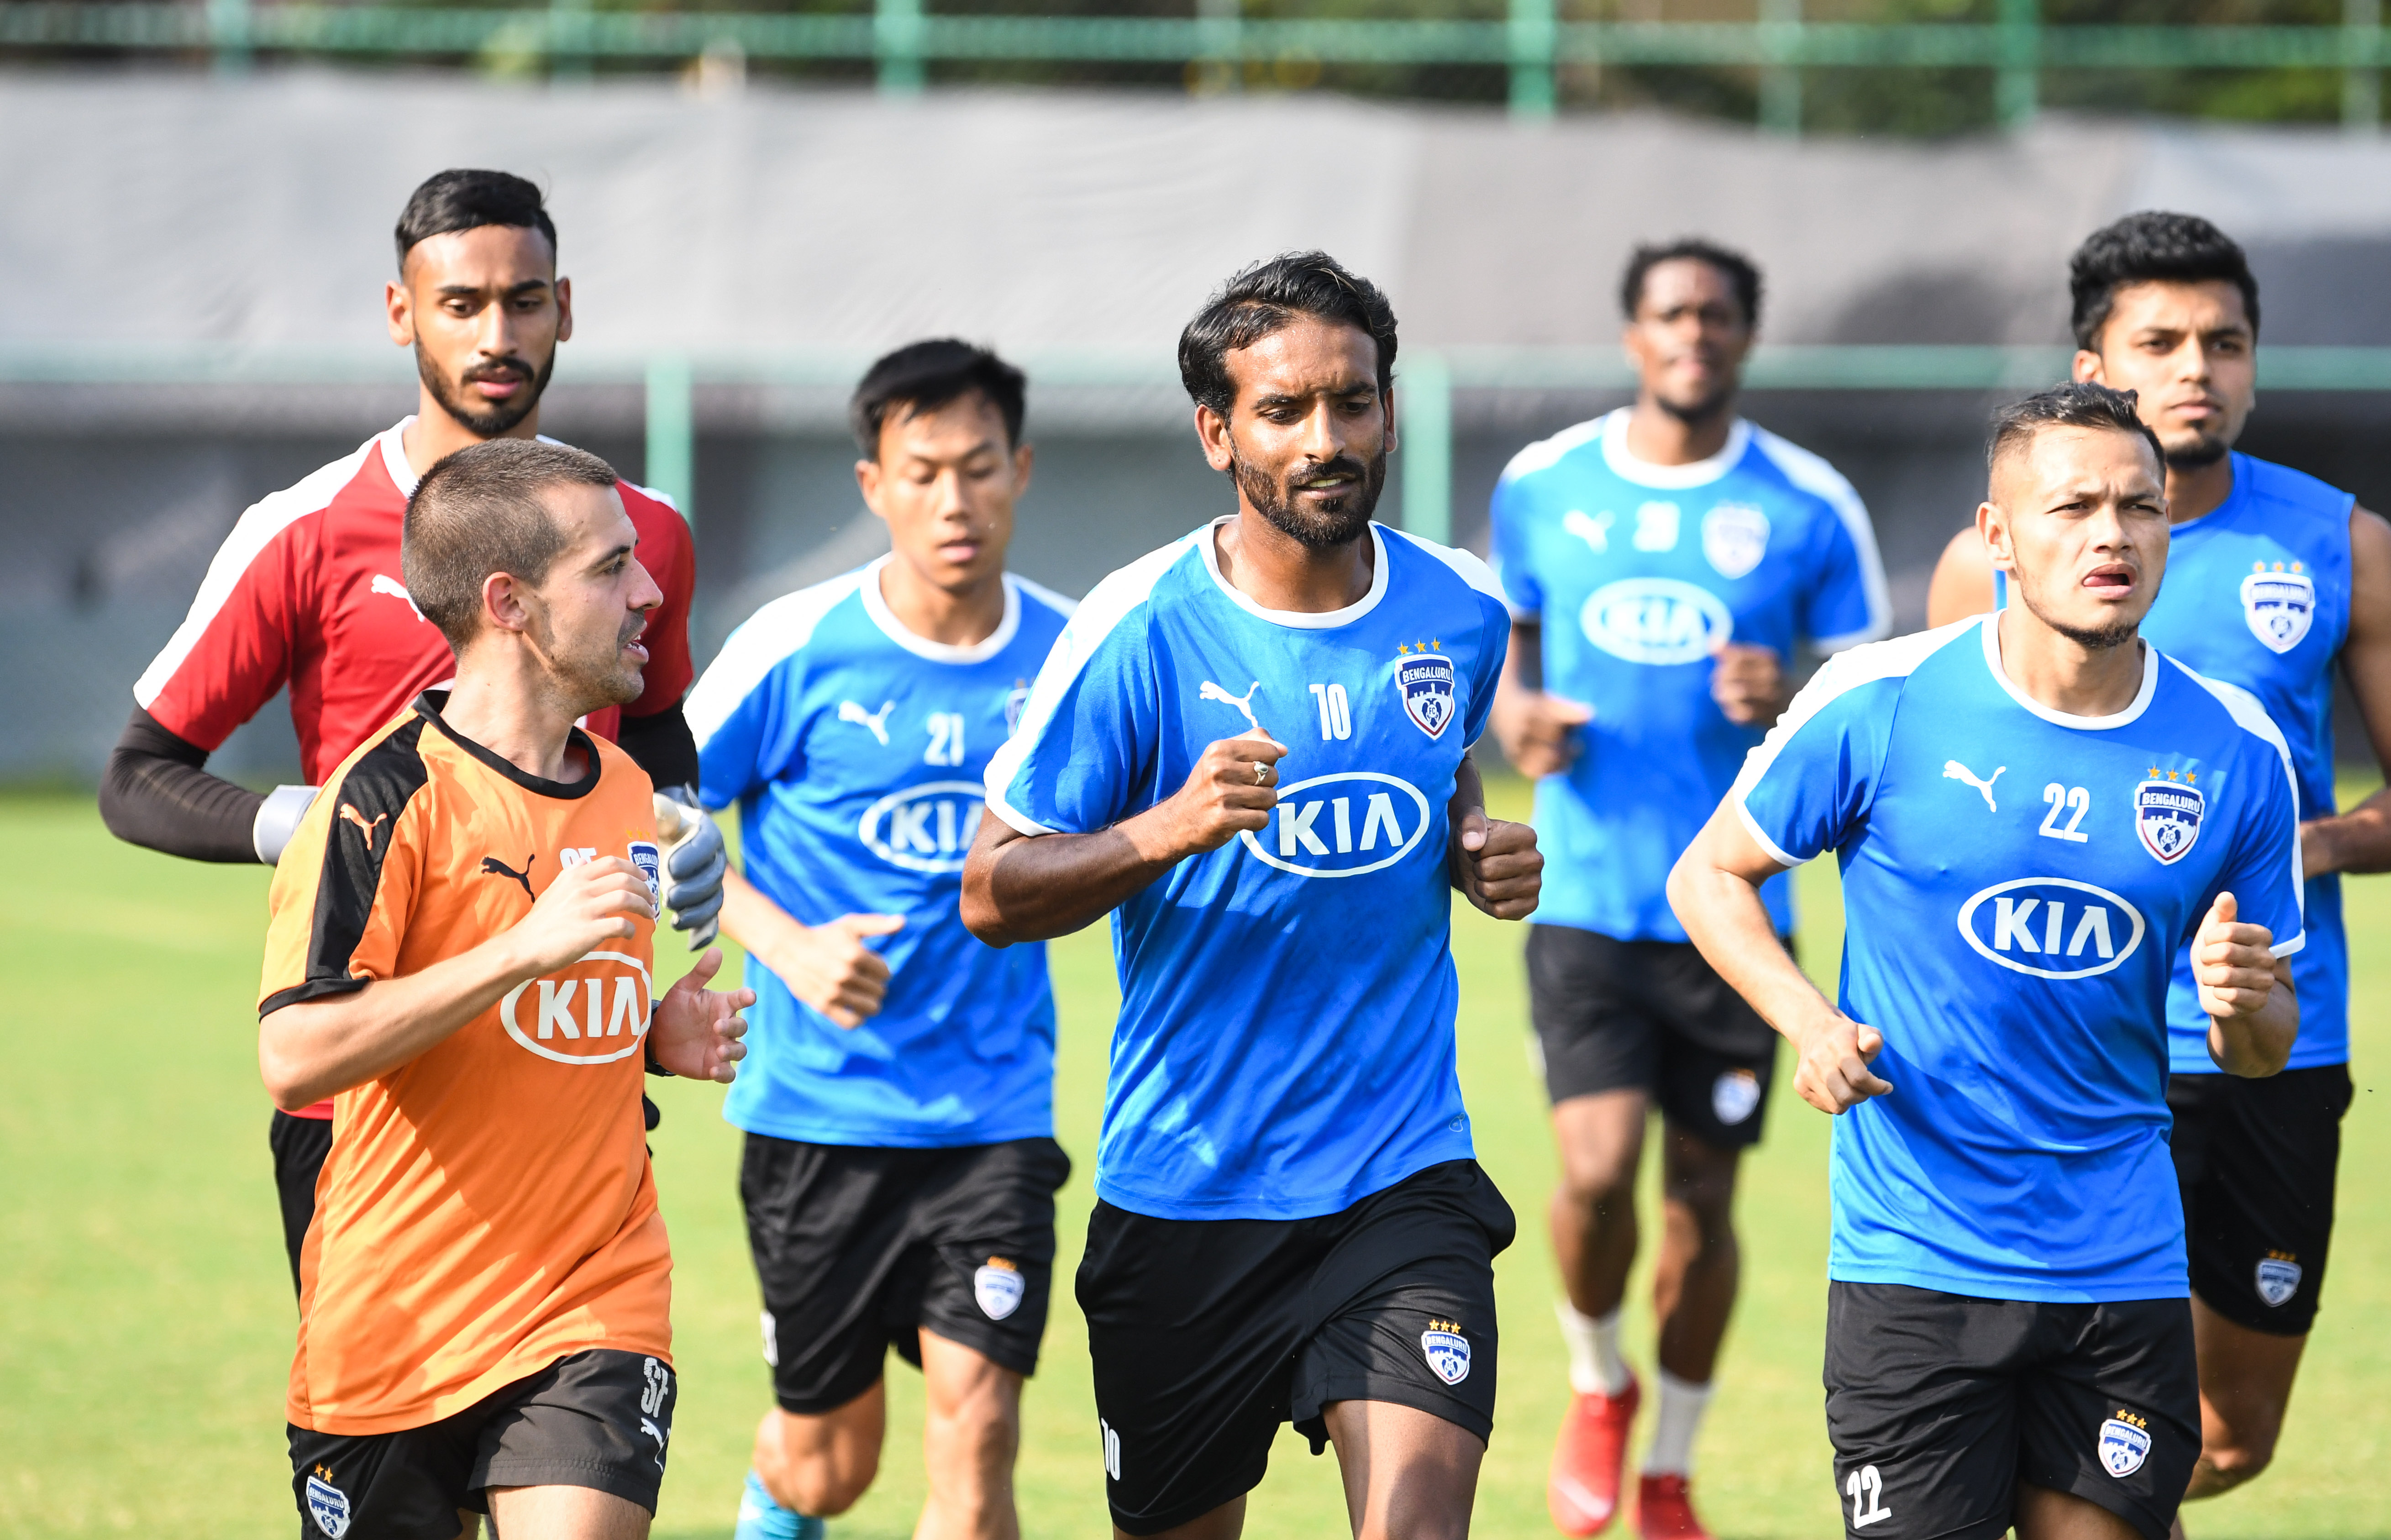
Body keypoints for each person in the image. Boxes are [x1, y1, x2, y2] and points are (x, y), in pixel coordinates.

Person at [961, 252, 1542, 1540]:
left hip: (1401, 1179)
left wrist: (1478, 850)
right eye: (1285, 411)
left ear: (1392, 408)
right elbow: (991, 891)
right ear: (1219, 432)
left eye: (1354, 401)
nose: (1327, 439)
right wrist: (1165, 829)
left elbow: (1436, 792)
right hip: (1190, 1192)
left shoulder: (1460, 609)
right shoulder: (1140, 627)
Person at [1669, 381, 2305, 1540]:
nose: (2111, 535)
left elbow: (2261, 1051)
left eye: (2139, 507)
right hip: (1913, 1261)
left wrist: (2243, 1004)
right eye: (2072, 508)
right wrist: (1811, 1023)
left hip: (2119, 1263)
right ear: (1997, 536)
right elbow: (1708, 877)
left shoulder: (2238, 751)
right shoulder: (1882, 698)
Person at [1923, 213, 2391, 1529]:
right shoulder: (1989, 561)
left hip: (2278, 1037)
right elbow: (1931, 802)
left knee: (2228, 1432)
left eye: (2225, 341)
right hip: (2075, 1048)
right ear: (2094, 362)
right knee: (2096, 1409)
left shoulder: (2343, 543)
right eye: (2158, 341)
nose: (2195, 369)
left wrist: (2293, 844)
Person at [100, 168, 724, 1295]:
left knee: (564, 1433)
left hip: (571, 1062)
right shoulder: (304, 530)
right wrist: (307, 822)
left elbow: (657, 725)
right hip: (367, 1087)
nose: (498, 333)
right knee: (401, 1458)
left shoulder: (644, 539)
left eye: (525, 301)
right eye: (461, 303)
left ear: (566, 307)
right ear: (402, 314)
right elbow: (139, 778)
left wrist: (682, 812)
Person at [257, 438, 751, 1540]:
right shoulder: (381, 801)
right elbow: (296, 1054)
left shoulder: (626, 789)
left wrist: (648, 1039)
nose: (649, 590)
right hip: (396, 1326)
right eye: (610, 567)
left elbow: (543, 1011)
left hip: (596, 1292)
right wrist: (524, 950)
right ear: (509, 603)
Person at [1485, 237, 1888, 1540]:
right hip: (1588, 891)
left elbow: (1868, 701)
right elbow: (1502, 651)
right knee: (1596, 1173)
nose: (1694, 334)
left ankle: (1669, 1464)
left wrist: (1788, 699)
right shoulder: (1544, 486)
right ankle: (1598, 1376)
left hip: (1738, 914)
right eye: (1671, 313)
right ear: (1633, 334)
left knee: (1702, 1200)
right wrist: (1517, 719)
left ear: (1745, 338)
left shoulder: (1809, 503)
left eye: (1718, 315)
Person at [688, 341, 1076, 1540]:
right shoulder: (793, 643)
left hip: (993, 1117)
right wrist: (788, 945)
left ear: (1020, 469)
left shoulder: (1075, 654)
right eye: (921, 474)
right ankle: (776, 1502)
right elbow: (650, 817)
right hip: (818, 1117)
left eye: (977, 468)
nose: (952, 502)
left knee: (978, 1436)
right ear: (874, 485)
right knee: (829, 1466)